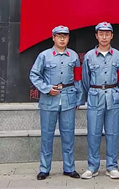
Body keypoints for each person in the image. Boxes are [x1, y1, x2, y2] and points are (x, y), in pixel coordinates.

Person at [30, 25, 84, 181]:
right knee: (47, 136)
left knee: (68, 135)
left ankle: (69, 168)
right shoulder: (44, 56)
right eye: (59, 36)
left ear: (68, 38)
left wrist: (79, 98)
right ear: (53, 38)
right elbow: (34, 75)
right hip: (49, 100)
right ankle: (44, 169)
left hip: (68, 98)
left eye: (65, 36)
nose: (62, 39)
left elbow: (78, 78)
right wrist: (46, 89)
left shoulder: (73, 56)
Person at [80, 22, 119, 180]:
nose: (104, 37)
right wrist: (92, 91)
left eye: (107, 34)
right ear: (96, 36)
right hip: (95, 95)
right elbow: (85, 79)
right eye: (101, 34)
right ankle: (92, 166)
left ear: (112, 36)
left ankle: (112, 166)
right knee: (93, 133)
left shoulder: (118, 56)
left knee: (112, 133)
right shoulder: (89, 56)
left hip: (112, 96)